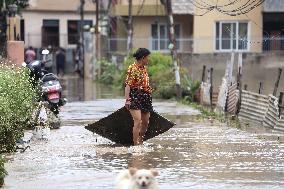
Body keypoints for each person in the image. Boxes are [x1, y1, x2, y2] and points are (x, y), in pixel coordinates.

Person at [124, 48, 153, 145]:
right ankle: (135, 145)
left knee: (145, 122)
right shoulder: (133, 68)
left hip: (146, 97)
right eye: (148, 57)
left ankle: (140, 142)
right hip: (135, 96)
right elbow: (128, 85)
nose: (149, 59)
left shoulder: (144, 68)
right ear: (143, 58)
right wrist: (127, 100)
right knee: (138, 121)